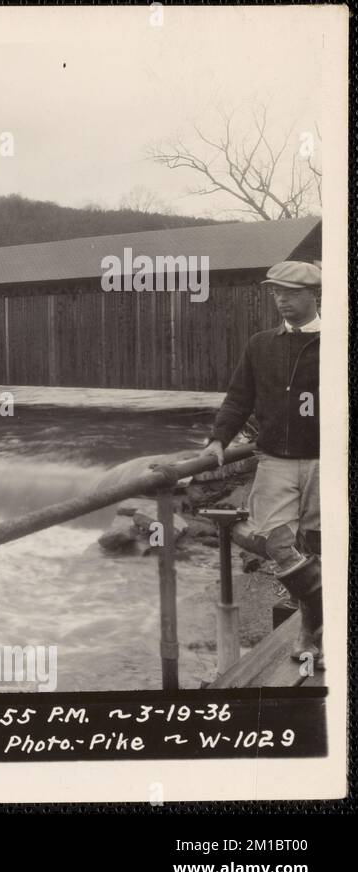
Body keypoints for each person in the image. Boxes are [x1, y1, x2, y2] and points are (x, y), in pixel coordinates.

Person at [204, 260, 321, 664]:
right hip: (275, 461)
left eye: (291, 292)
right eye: (276, 292)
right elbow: (238, 399)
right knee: (278, 543)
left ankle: (310, 636)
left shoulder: (337, 341)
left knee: (318, 547)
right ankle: (332, 610)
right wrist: (218, 440)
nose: (281, 300)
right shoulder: (260, 344)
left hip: (326, 462)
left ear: (313, 295)